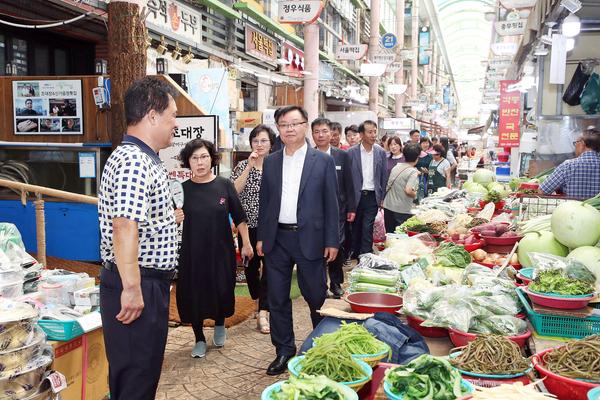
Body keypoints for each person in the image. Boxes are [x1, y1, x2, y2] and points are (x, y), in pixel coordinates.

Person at [98, 77, 181, 400]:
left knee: (140, 376)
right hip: (136, 284)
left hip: (145, 282)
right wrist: (132, 288)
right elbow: (124, 226)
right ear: (152, 114)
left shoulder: (142, 158)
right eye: (172, 114)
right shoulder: (133, 160)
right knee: (136, 379)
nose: (176, 123)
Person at [256, 106, 339, 376]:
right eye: (283, 124)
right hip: (277, 238)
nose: (289, 129)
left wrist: (332, 241)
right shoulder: (271, 161)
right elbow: (265, 203)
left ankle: (319, 347)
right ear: (278, 128)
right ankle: (284, 350)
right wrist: (261, 237)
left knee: (315, 295)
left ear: (305, 126)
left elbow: (331, 203)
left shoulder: (322, 161)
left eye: (295, 123)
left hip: (311, 238)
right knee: (277, 297)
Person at [177, 139, 253, 358]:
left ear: (212, 159)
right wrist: (174, 219)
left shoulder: (224, 185)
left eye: (204, 157)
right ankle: (199, 338)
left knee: (221, 288)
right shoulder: (182, 190)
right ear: (187, 162)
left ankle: (220, 324)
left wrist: (246, 243)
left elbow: (240, 217)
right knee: (195, 293)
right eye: (194, 158)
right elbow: (170, 221)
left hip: (221, 251)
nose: (200, 162)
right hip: (193, 253)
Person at [230, 124, 276, 334]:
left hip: (271, 226)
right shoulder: (242, 165)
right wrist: (249, 166)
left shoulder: (277, 165)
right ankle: (258, 301)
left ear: (271, 144)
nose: (259, 144)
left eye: (263, 140)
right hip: (246, 227)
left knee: (270, 268)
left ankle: (264, 311)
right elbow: (233, 193)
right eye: (256, 140)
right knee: (250, 267)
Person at [311, 118, 356, 298]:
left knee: (336, 247)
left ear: (332, 134)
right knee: (316, 248)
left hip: (338, 211)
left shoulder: (341, 156)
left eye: (324, 131)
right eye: (316, 132)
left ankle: (336, 283)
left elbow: (349, 184)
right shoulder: (308, 155)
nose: (320, 135)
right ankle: (320, 284)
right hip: (314, 212)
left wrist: (351, 208)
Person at [348, 120, 388, 257]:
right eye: (369, 132)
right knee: (356, 226)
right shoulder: (351, 152)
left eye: (374, 132)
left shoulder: (381, 152)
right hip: (355, 196)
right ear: (361, 134)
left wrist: (382, 198)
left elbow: (383, 176)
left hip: (372, 195)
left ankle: (365, 255)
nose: (373, 135)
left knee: (367, 226)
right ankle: (355, 252)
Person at [540, 129, 600, 200]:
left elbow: (542, 191)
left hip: (571, 210)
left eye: (576, 142)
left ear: (582, 144)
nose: (575, 146)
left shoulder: (568, 166)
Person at [383, 144, 420, 233]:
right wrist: (415, 194)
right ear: (417, 158)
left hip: (388, 207)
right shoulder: (413, 171)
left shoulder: (396, 167)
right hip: (402, 210)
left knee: (390, 235)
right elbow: (408, 190)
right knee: (400, 236)